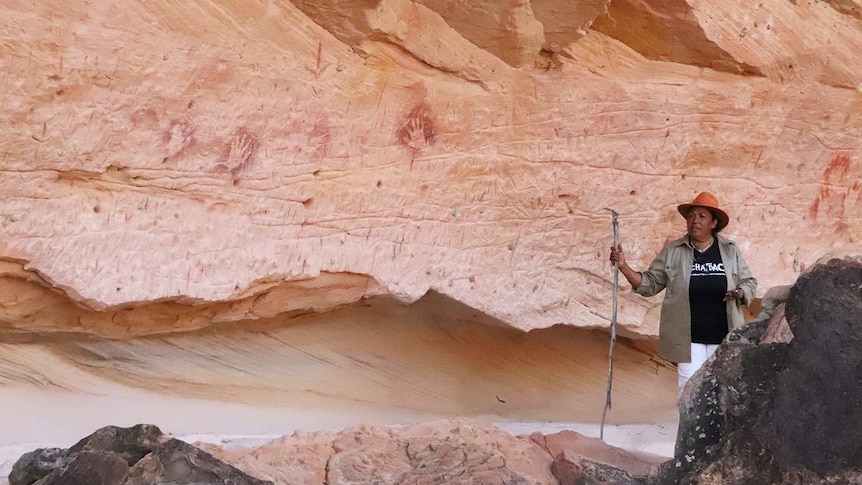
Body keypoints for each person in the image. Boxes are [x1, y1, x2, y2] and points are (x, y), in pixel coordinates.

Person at [609, 191, 757, 391]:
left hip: (724, 335)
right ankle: (688, 424)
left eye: (702, 216)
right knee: (689, 389)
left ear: (713, 223)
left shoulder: (730, 250)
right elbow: (650, 284)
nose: (694, 221)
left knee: (721, 389)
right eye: (691, 216)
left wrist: (740, 292)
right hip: (688, 339)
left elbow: (749, 281)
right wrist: (624, 267)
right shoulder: (673, 251)